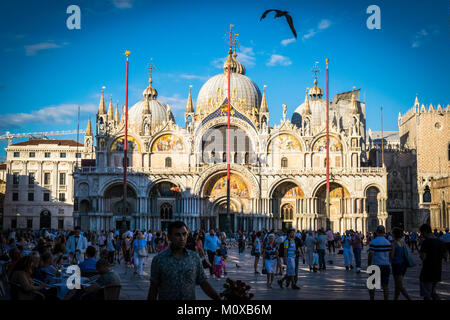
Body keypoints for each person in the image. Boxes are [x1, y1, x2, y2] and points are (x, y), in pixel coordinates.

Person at [147, 221, 221, 300]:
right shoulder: (159, 260)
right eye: (177, 235)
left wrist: (218, 298)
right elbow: (153, 289)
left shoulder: (194, 257)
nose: (182, 238)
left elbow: (203, 282)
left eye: (184, 234)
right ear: (169, 237)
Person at [419, 224, 446, 300]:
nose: (422, 235)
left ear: (424, 231)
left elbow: (423, 257)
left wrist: (420, 254)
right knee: (433, 292)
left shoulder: (426, 242)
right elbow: (445, 255)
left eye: (422, 233)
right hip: (437, 270)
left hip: (427, 271)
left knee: (427, 295)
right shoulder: (440, 241)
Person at [368, 225, 392, 300]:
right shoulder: (388, 242)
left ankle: (372, 299)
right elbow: (390, 255)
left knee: (372, 285)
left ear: (377, 232)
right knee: (385, 285)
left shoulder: (373, 242)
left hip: (375, 265)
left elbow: (370, 255)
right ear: (384, 232)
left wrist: (369, 265)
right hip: (386, 265)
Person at [391, 227, 411, 300]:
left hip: (396, 265)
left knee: (399, 285)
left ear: (394, 234)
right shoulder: (403, 243)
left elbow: (392, 256)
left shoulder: (394, 244)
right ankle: (395, 298)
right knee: (397, 284)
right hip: (403, 265)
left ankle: (409, 298)